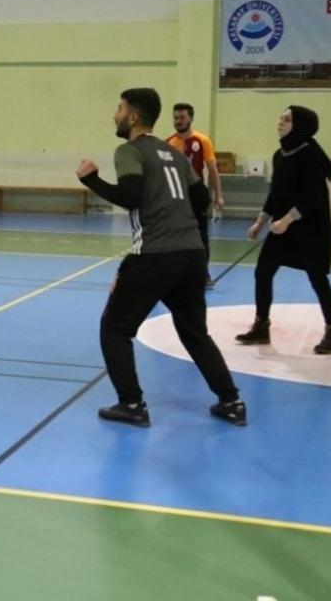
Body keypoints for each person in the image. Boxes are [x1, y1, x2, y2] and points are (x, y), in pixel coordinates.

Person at [76, 88, 246, 427]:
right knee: (195, 332)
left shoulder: (129, 151)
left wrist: (91, 179)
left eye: (120, 108)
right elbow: (201, 200)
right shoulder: (176, 154)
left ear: (133, 117)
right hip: (192, 255)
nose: (115, 115)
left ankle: (132, 404)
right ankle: (231, 401)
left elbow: (130, 197)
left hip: (155, 254)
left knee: (114, 328)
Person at [235, 106, 331, 355]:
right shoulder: (280, 154)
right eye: (280, 118)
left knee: (318, 279)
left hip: (309, 228)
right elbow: (276, 193)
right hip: (282, 227)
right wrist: (261, 221)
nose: (280, 123)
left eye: (286, 119)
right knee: (263, 272)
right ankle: (261, 326)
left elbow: (312, 198)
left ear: (301, 125)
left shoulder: (310, 156)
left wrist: (286, 220)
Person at [166, 102, 225, 288]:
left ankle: (203, 274)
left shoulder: (202, 141)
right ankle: (173, 273)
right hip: (175, 198)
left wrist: (218, 195)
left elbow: (213, 170)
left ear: (190, 118)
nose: (178, 121)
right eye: (176, 117)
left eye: (182, 117)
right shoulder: (168, 143)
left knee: (200, 237)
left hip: (197, 196)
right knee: (173, 237)